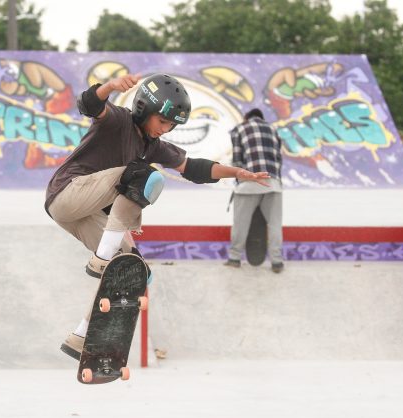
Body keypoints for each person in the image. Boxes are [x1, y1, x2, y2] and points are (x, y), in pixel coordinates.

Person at [44, 73, 272, 359]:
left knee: (130, 269)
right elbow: (89, 105)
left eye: (171, 125)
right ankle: (102, 258)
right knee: (142, 177)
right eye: (162, 122)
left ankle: (81, 337)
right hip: (68, 192)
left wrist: (237, 172)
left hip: (82, 214)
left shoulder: (152, 146)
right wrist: (111, 87)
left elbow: (193, 168)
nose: (165, 130)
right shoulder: (119, 121)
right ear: (144, 110)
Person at [226, 108, 285, 273]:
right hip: (273, 183)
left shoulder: (239, 129)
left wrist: (239, 182)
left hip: (250, 182)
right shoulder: (273, 129)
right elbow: (279, 160)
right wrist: (275, 181)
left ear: (246, 117)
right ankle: (277, 262)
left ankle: (234, 258)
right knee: (275, 225)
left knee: (240, 224)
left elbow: (237, 160)